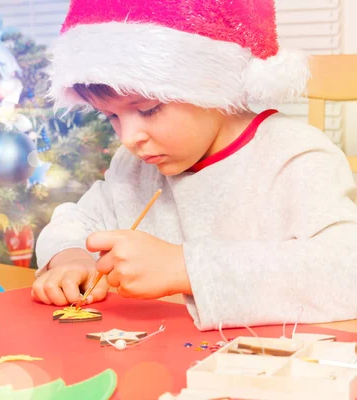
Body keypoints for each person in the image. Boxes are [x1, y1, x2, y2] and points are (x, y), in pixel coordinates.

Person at [31, 0, 357, 331]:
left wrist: (184, 269)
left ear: (211, 86)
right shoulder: (133, 167)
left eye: (149, 109)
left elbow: (348, 271)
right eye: (112, 116)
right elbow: (73, 222)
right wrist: (71, 258)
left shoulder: (294, 156)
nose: (129, 137)